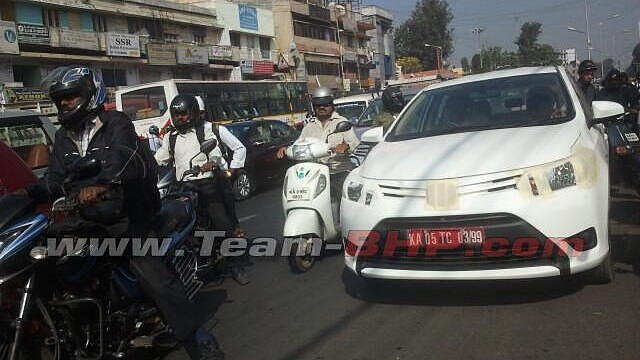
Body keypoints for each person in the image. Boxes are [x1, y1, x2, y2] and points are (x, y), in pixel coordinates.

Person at [18, 66, 223, 360]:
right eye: (60, 99)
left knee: (155, 277)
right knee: (44, 259)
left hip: (128, 216)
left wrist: (104, 182)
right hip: (89, 219)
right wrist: (26, 194)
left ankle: (198, 339)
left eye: (70, 96)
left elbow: (124, 157)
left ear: (90, 95)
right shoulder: (63, 137)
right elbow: (54, 178)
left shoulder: (117, 122)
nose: (64, 103)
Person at [154, 94, 249, 285]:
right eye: (176, 114)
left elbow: (214, 153)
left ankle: (234, 264)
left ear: (194, 113)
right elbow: (159, 159)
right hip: (181, 187)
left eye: (183, 113)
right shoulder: (171, 137)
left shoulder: (204, 132)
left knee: (223, 224)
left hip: (206, 185)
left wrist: (211, 163)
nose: (180, 117)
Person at [276, 87, 359, 159]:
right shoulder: (309, 126)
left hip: (338, 170)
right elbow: (299, 145)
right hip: (315, 170)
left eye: (325, 104)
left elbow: (356, 146)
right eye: (318, 105)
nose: (321, 107)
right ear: (314, 106)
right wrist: (287, 149)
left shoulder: (342, 122)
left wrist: (346, 146)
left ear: (332, 105)